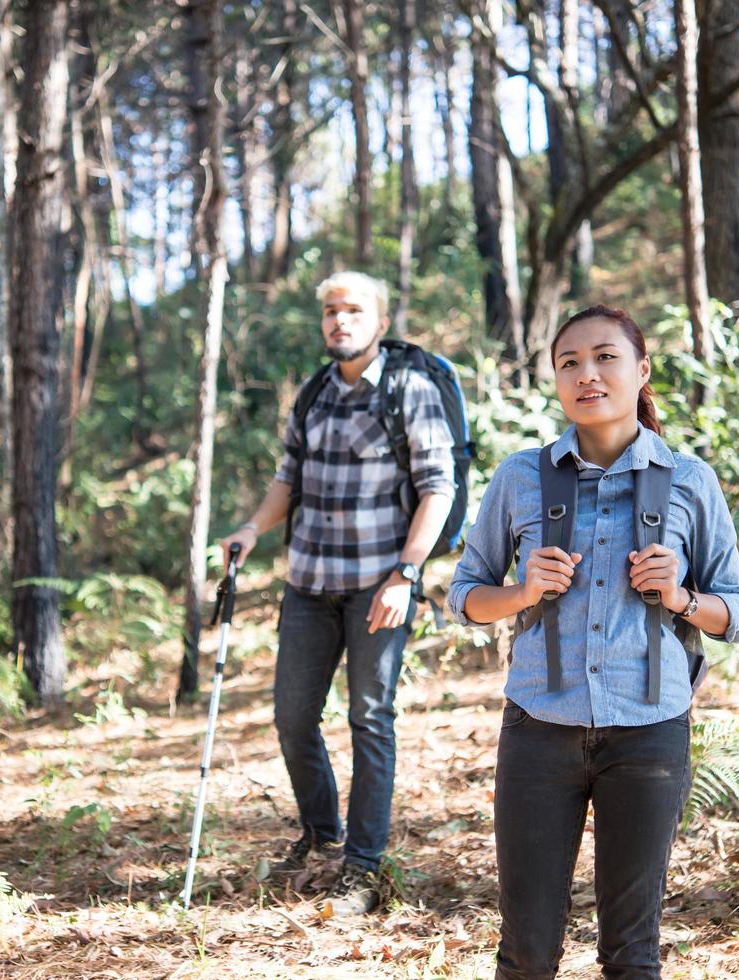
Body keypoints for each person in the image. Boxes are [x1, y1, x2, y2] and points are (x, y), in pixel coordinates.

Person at [447, 306, 739, 978]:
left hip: (649, 730)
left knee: (631, 950)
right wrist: (522, 593)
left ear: (640, 370)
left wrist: (679, 598)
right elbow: (465, 595)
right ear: (556, 381)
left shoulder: (688, 481)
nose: (586, 373)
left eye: (604, 357)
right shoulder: (519, 477)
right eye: (568, 362)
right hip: (537, 727)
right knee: (526, 950)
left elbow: (738, 610)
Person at [219, 271, 457, 916]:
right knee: (294, 719)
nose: (339, 321)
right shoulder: (314, 393)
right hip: (307, 584)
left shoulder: (411, 389)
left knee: (369, 719)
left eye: (353, 310)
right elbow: (286, 481)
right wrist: (250, 528)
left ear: (380, 321)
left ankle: (362, 867)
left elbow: (439, 488)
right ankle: (322, 835)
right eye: (330, 310)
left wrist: (406, 574)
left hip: (379, 586)